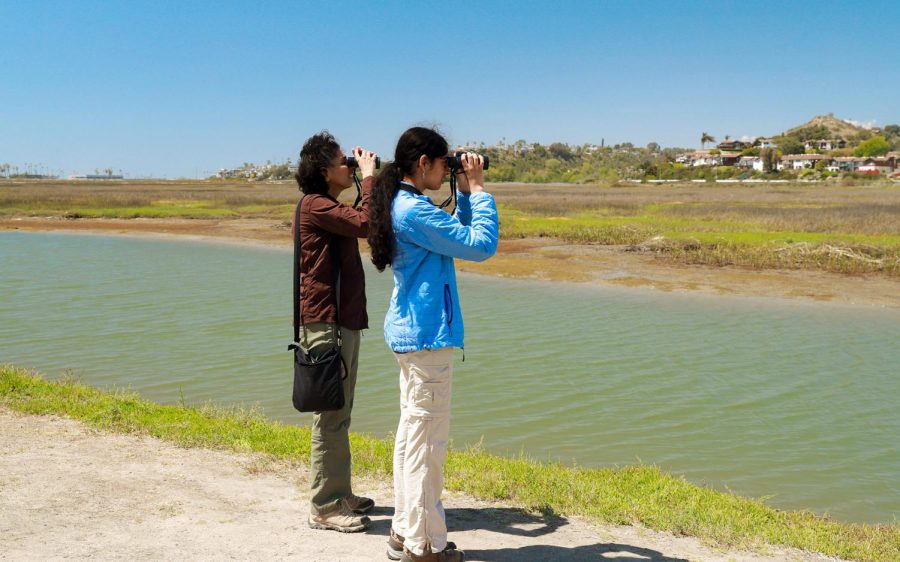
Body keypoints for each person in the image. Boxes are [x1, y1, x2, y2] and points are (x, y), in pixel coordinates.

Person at [368, 127, 499, 562]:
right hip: (426, 338)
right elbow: (481, 245)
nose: (448, 170)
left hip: (412, 334)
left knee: (412, 435)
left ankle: (405, 530)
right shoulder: (414, 211)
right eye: (444, 164)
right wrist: (478, 190)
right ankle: (424, 547)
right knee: (428, 444)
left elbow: (453, 237)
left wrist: (462, 195)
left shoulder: (405, 204)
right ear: (423, 163)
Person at [293, 131, 378, 533]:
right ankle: (324, 506)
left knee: (339, 414)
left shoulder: (327, 206)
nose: (349, 166)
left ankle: (338, 493)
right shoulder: (315, 205)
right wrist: (370, 175)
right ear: (325, 170)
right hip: (325, 323)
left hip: (338, 321)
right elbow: (365, 222)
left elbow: (360, 218)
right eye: (344, 161)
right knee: (329, 416)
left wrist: (365, 180)